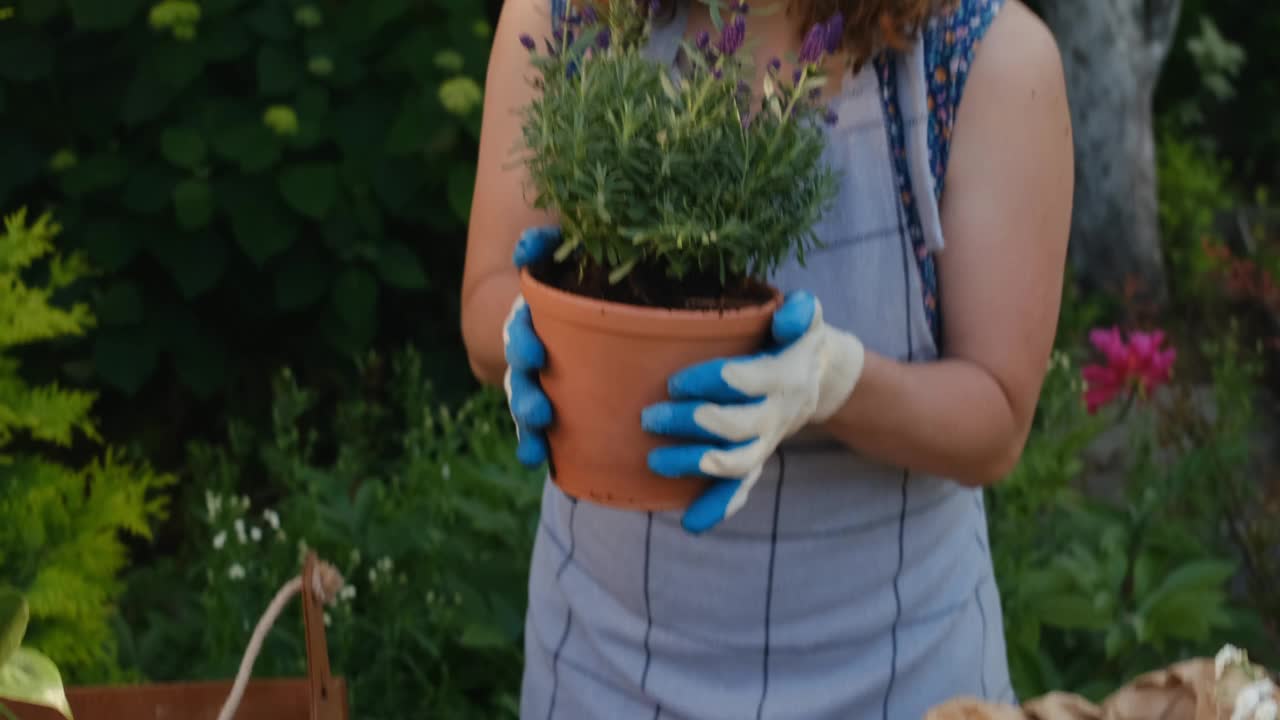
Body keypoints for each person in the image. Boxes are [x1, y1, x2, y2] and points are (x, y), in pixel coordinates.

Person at [461, 0, 1073, 716]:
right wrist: (530, 334)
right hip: (604, 672)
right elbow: (486, 304)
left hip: (901, 680)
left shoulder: (984, 58)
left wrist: (832, 384)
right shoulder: (571, 15)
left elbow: (996, 420)